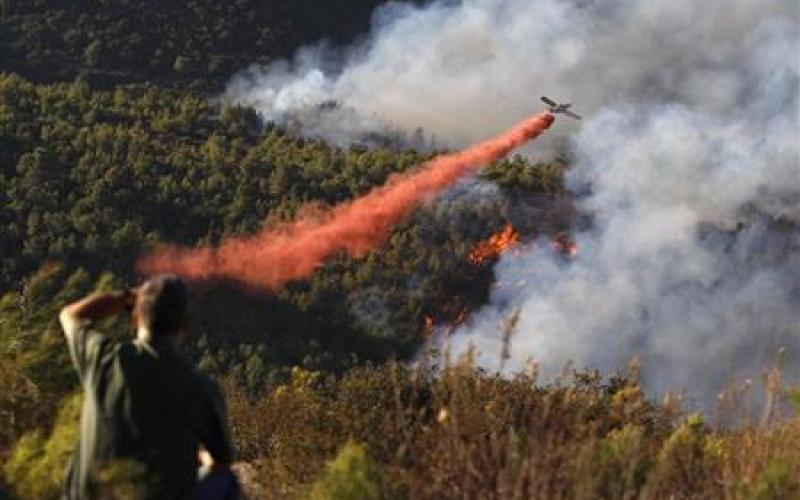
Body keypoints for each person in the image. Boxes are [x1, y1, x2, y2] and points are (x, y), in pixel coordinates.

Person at [59, 274, 238, 499]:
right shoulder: (201, 388)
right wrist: (200, 457)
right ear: (186, 324)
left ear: (135, 318)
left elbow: (69, 315)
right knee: (227, 482)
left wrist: (124, 299)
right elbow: (221, 463)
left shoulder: (104, 359)